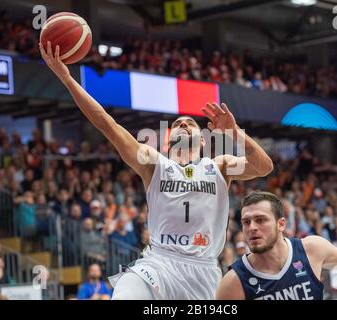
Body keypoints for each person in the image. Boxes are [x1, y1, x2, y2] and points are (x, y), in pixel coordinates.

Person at [39, 41, 273, 300]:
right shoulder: (154, 163)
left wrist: (234, 131)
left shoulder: (220, 166)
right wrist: (67, 78)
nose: (183, 123)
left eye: (190, 123)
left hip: (203, 271)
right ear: (167, 140)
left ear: (204, 140)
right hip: (157, 264)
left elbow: (264, 167)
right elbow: (107, 124)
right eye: (178, 124)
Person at [216, 191, 337, 300]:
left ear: (281, 224)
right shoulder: (233, 282)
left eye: (260, 220)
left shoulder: (310, 249)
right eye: (246, 222)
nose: (252, 228)